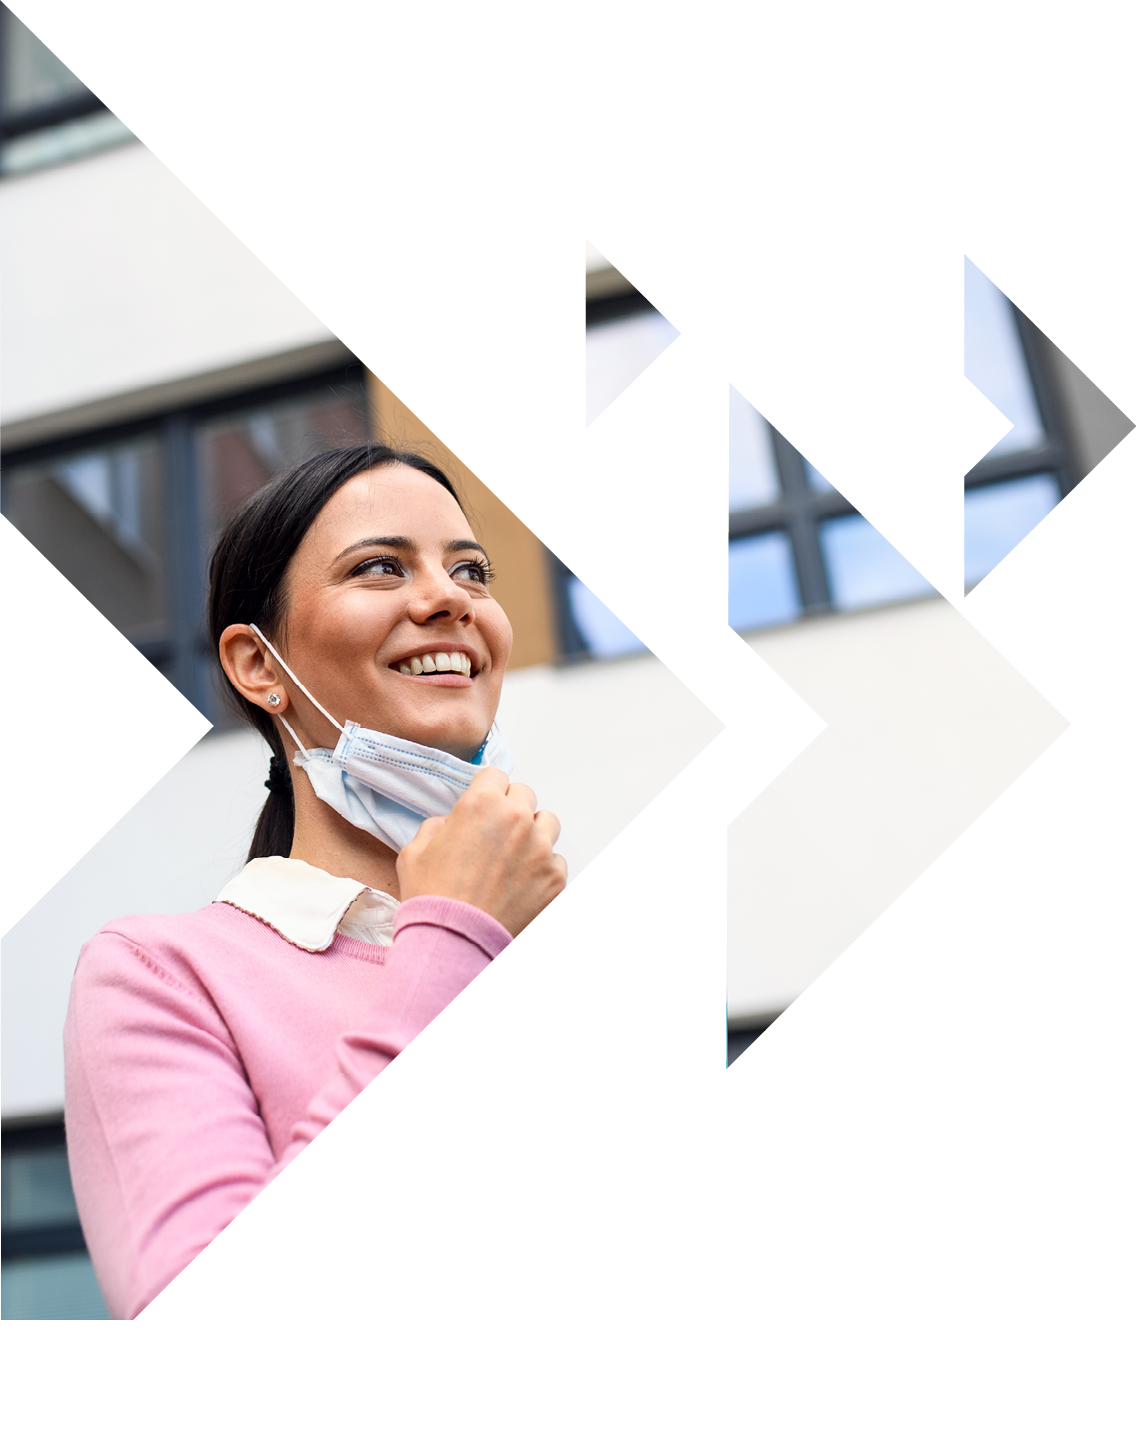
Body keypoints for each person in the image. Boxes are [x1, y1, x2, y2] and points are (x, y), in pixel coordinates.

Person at [63, 443, 566, 1319]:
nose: (451, 598)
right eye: (380, 566)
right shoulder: (156, 976)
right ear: (260, 667)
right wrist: (450, 934)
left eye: (472, 572)